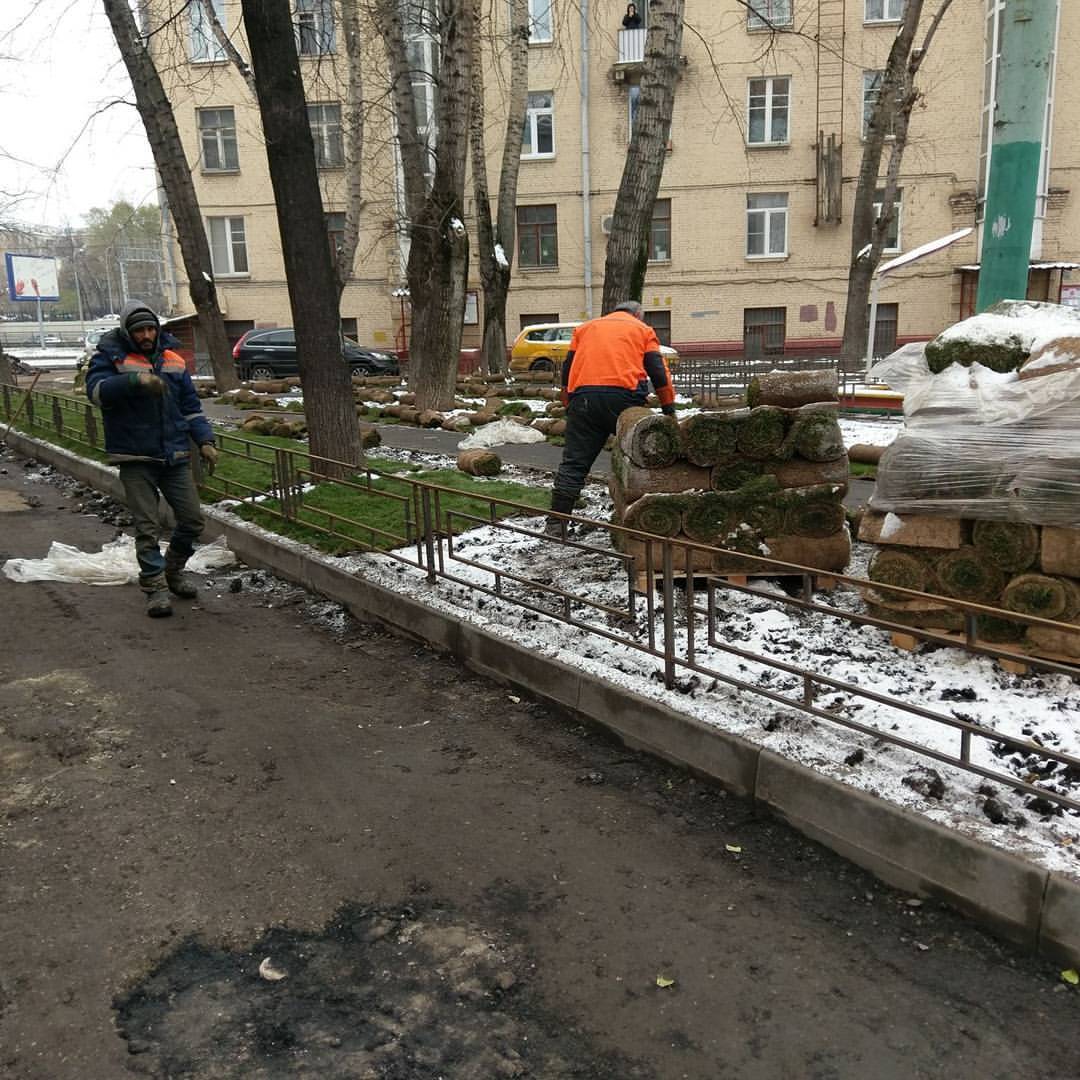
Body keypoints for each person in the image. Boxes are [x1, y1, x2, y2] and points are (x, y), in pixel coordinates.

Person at [85, 301, 218, 618]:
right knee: (148, 527)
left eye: (150, 329)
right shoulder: (110, 357)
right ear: (127, 332)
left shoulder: (172, 359)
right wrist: (134, 381)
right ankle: (155, 588)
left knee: (192, 520)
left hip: (174, 454)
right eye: (139, 330)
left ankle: (173, 570)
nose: (146, 335)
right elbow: (95, 392)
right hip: (135, 455)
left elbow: (190, 406)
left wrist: (205, 440)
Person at [548, 300, 675, 533]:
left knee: (574, 463)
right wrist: (669, 408)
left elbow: (568, 366)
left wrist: (568, 400)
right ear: (638, 314)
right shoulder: (642, 330)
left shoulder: (586, 328)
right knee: (643, 454)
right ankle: (649, 515)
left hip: (583, 399)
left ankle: (556, 523)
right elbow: (657, 370)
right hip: (624, 400)